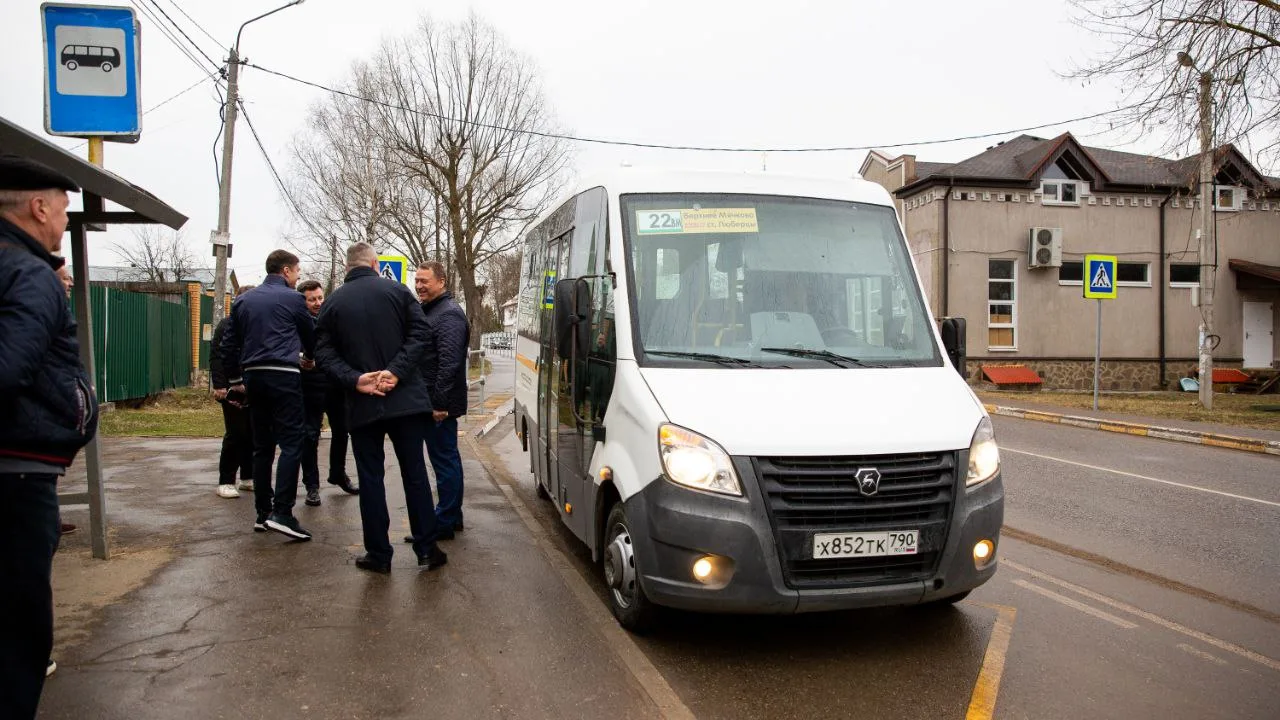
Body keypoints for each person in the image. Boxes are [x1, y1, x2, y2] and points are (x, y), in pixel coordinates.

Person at [0, 154, 98, 719]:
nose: (64, 221)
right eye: (63, 208)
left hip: (17, 465)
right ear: (39, 206)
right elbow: (10, 366)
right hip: (17, 474)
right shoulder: (28, 272)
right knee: (19, 632)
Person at [315, 243, 447, 574]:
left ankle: (378, 554)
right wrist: (396, 371)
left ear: (347, 268)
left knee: (370, 478)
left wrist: (356, 379)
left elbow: (324, 354)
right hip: (405, 401)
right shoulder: (397, 292)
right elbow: (421, 334)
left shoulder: (331, 304)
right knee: (414, 473)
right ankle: (427, 549)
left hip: (362, 404)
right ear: (375, 264)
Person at [219, 250, 316, 540]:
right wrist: (309, 357)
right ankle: (282, 512)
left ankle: (262, 513)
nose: (298, 275)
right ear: (286, 271)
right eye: (297, 271)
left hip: (253, 376)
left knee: (262, 445)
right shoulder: (293, 299)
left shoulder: (244, 300)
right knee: (292, 442)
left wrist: (236, 379)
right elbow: (309, 334)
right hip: (283, 374)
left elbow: (228, 343)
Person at [409, 261, 470, 543]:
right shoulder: (433, 310)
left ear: (442, 282)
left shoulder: (448, 315)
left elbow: (449, 363)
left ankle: (443, 522)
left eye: (425, 281)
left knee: (444, 463)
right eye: (417, 280)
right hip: (432, 400)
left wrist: (439, 403)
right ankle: (451, 517)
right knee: (447, 460)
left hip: (438, 404)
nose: (419, 285)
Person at [296, 279, 358, 504]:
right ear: (302, 301)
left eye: (320, 298)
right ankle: (312, 485)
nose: (317, 303)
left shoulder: (332, 318)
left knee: (342, 430)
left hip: (335, 384)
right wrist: (300, 358)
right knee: (310, 435)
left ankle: (338, 473)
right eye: (311, 299)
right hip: (309, 387)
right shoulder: (297, 322)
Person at [210, 284, 256, 498]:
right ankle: (226, 481)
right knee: (236, 434)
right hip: (231, 389)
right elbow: (218, 357)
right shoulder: (227, 325)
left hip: (253, 386)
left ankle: (248, 477)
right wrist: (220, 385)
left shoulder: (256, 325)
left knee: (252, 434)